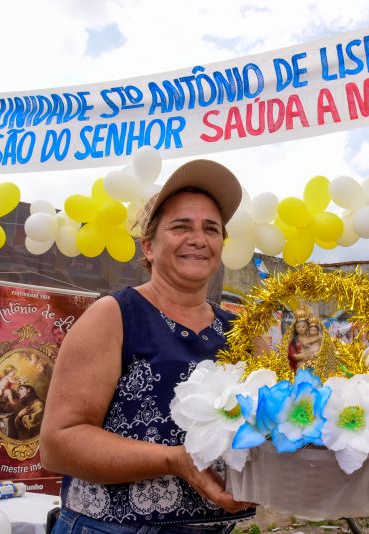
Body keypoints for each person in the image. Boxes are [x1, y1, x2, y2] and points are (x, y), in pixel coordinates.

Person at [41, 159, 255, 534]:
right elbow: (59, 443)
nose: (198, 239)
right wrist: (175, 460)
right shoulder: (115, 315)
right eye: (180, 226)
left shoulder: (238, 329)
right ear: (149, 247)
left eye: (211, 228)